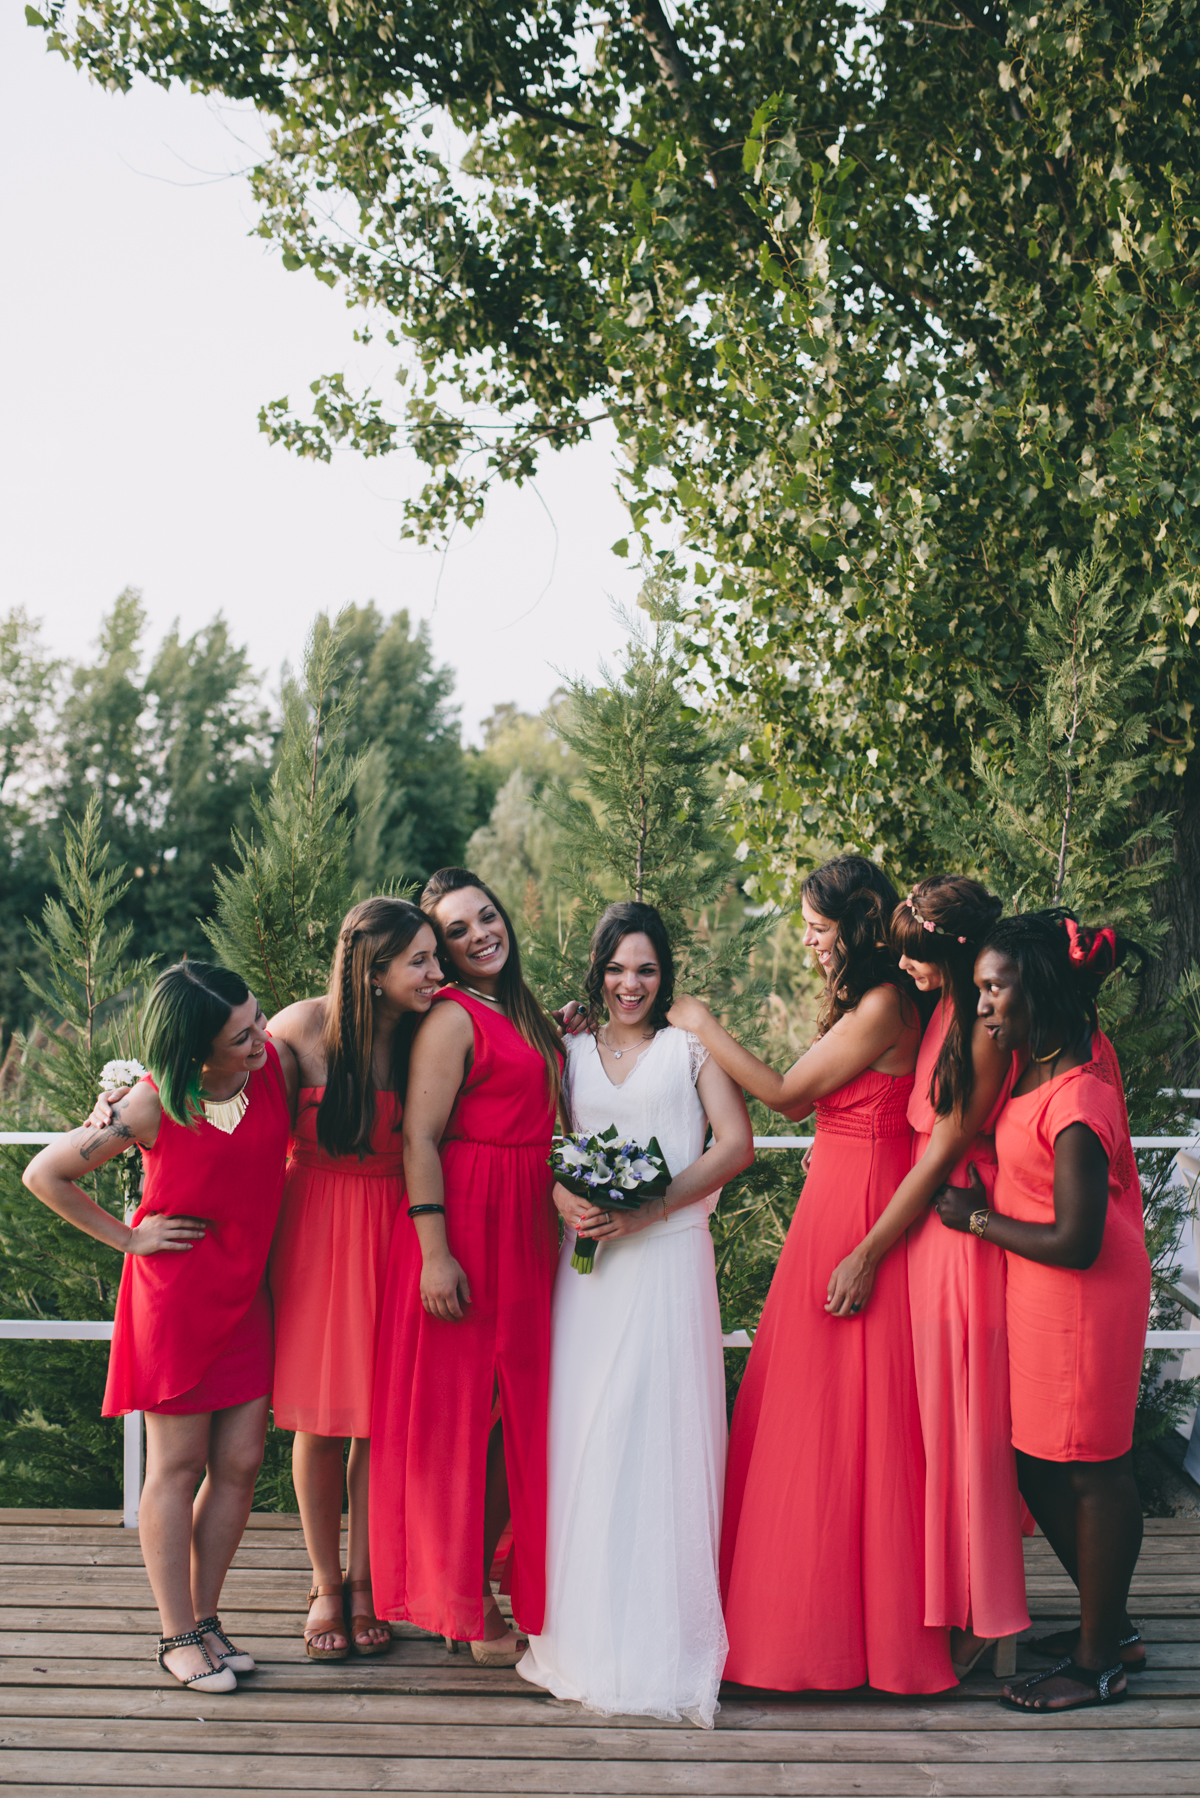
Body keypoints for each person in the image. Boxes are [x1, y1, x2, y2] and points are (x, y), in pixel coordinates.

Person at [669, 854, 956, 1695]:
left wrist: (703, 1023)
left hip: (861, 1207)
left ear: (859, 927)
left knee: (841, 1419)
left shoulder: (882, 1005)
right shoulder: (877, 1001)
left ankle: (827, 1633)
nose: (808, 943)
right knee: (809, 1411)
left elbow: (788, 1096)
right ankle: (793, 1617)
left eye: (819, 929)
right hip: (835, 1195)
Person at [24, 961, 293, 1692]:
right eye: (242, 1034)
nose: (262, 1036)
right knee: (176, 1468)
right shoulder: (148, 1106)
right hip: (174, 1299)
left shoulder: (274, 1066)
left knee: (239, 1462)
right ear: (196, 1051)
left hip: (247, 1294)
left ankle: (206, 1622)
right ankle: (176, 1635)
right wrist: (130, 1238)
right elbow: (45, 1175)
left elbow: (342, 1002)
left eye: (259, 1017)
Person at [517, 901, 753, 1728]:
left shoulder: (690, 1050)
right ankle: (579, 1631)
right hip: (587, 1272)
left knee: (659, 1436)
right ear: (597, 969)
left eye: (646, 970)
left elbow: (735, 1145)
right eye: (617, 968)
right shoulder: (568, 1050)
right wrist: (563, 1196)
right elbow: (540, 1143)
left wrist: (650, 1209)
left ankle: (666, 1638)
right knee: (587, 1433)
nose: (630, 984)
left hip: (667, 1259)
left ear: (666, 975)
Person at [934, 910, 1152, 1713]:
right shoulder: (1046, 1054)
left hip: (1083, 1293)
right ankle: (1113, 1627)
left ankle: (1098, 1662)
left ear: (1041, 989)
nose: (983, 1004)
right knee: (1039, 1461)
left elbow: (1078, 1238)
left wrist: (976, 1222)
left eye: (996, 988)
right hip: (1039, 1290)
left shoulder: (1078, 1095)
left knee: (1093, 1468)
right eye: (981, 986)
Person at [824, 876, 1029, 1678]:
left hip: (956, 1238)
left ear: (949, 951)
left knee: (966, 1428)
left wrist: (867, 1251)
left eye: (916, 956)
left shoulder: (979, 1022)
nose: (903, 968)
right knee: (935, 1429)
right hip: (929, 1232)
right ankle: (952, 1599)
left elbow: (945, 1146)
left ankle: (989, 1613)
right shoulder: (946, 1006)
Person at [369, 868, 563, 1665]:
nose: (481, 933)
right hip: (468, 1220)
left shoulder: (517, 1007)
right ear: (441, 951)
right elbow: (419, 1137)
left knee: (517, 1411)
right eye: (457, 930)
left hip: (527, 1221)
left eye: (486, 916)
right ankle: (466, 1604)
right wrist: (435, 1251)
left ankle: (490, 1577)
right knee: (463, 1418)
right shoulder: (451, 1018)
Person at [266, 897, 443, 1660]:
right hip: (312, 1233)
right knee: (320, 1419)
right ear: (372, 973)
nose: (439, 972)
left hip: (398, 1229)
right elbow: (230, 1112)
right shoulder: (298, 1030)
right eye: (421, 961)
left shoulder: (430, 1036)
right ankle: (323, 1583)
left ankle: (367, 1582)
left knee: (380, 1419)